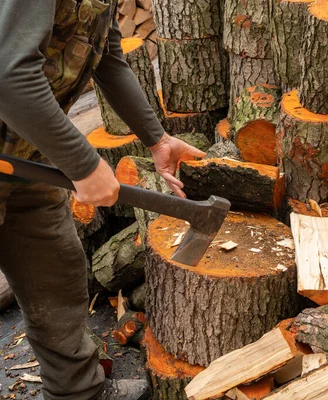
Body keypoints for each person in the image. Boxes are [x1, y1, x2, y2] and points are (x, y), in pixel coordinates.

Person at [0, 1, 206, 399]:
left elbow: (107, 56)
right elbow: (9, 75)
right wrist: (83, 164)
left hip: (27, 155)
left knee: (55, 276)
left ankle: (79, 393)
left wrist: (156, 138)